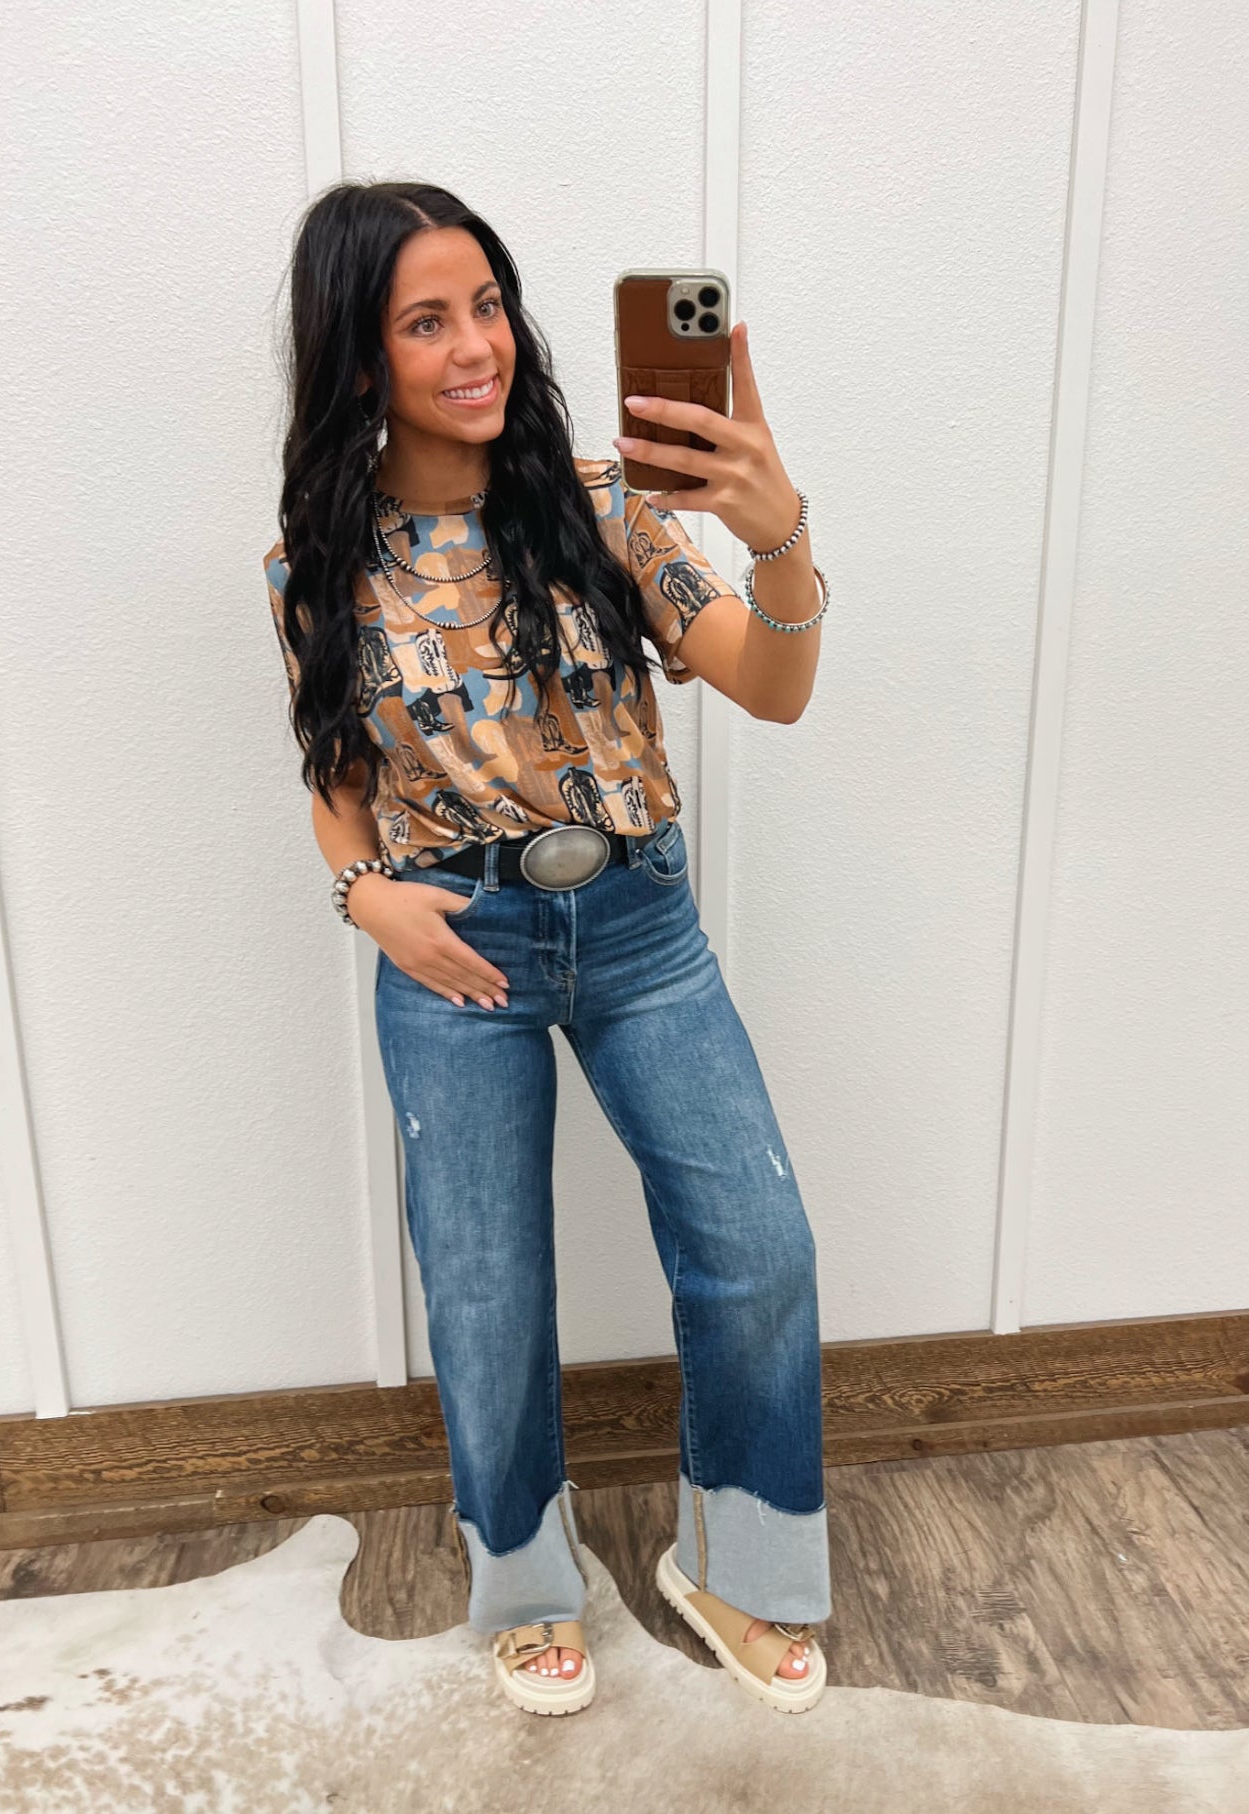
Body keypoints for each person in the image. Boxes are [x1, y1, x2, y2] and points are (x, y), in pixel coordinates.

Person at [262, 180, 833, 1717]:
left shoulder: (604, 504)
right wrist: (365, 893)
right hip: (458, 947)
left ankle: (738, 1563)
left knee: (760, 1247)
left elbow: (773, 686)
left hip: (640, 924)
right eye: (426, 321)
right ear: (359, 354)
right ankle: (523, 1578)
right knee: (486, 1286)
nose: (476, 346)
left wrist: (781, 542)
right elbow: (334, 777)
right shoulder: (318, 556)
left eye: (489, 305)